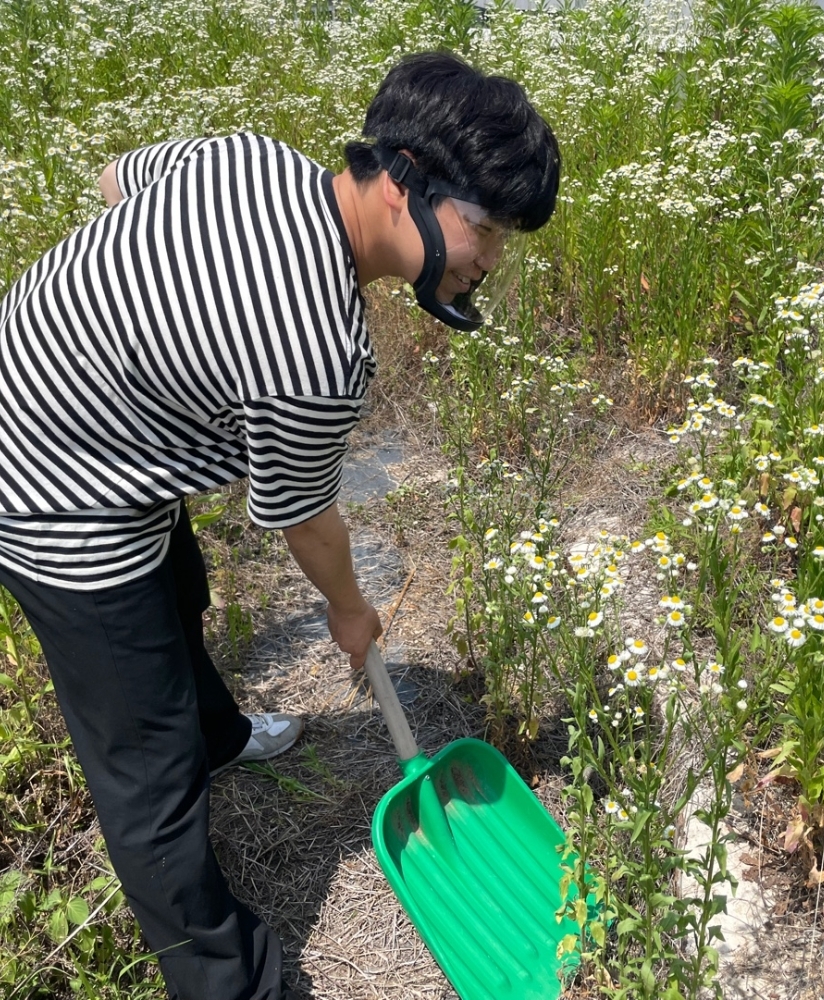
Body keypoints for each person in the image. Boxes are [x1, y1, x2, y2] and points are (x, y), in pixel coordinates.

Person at [0, 50, 559, 1000]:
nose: (490, 260)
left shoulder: (249, 159)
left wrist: (133, 326)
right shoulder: (313, 346)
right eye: (484, 227)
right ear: (403, 184)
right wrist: (352, 613)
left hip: (65, 403)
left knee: (178, 586)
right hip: (48, 487)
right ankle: (228, 979)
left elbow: (115, 177)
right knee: (146, 764)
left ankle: (218, 733)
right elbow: (303, 517)